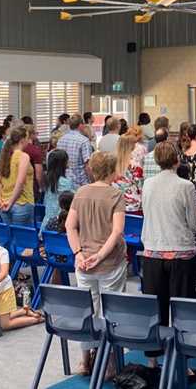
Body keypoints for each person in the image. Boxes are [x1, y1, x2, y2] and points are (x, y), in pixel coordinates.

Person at [140, 142, 196, 368]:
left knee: (155, 307)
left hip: (153, 251)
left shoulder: (147, 184)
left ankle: (152, 362)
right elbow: (193, 224)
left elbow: (147, 212)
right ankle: (183, 362)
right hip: (180, 251)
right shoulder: (186, 186)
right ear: (177, 159)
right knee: (182, 308)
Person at [65, 151, 128, 375]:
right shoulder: (115, 194)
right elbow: (117, 231)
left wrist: (78, 253)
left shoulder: (80, 192)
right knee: (110, 313)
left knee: (88, 312)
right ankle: (110, 362)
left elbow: (69, 226)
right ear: (112, 171)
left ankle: (85, 360)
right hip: (109, 262)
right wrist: (101, 255)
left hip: (83, 264)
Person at [0, 126, 35, 226]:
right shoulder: (23, 156)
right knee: (23, 239)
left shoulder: (5, 155)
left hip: (3, 203)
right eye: (27, 138)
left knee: (10, 237)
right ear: (22, 140)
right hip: (21, 203)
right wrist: (11, 202)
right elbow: (20, 182)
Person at [42, 149, 76, 233]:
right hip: (61, 223)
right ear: (62, 164)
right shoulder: (66, 182)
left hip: (47, 222)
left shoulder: (48, 180)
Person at [56, 114, 94, 187]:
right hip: (80, 182)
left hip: (64, 181)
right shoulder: (84, 141)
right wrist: (92, 181)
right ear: (80, 125)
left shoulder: (61, 139)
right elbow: (87, 166)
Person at [114, 133, 144, 215]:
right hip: (134, 205)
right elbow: (141, 186)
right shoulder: (135, 165)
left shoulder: (112, 163)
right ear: (131, 146)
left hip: (116, 204)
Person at [23, 125, 45, 202]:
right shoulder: (35, 150)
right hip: (31, 186)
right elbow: (39, 174)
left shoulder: (16, 148)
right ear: (31, 135)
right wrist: (41, 187)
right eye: (36, 133)